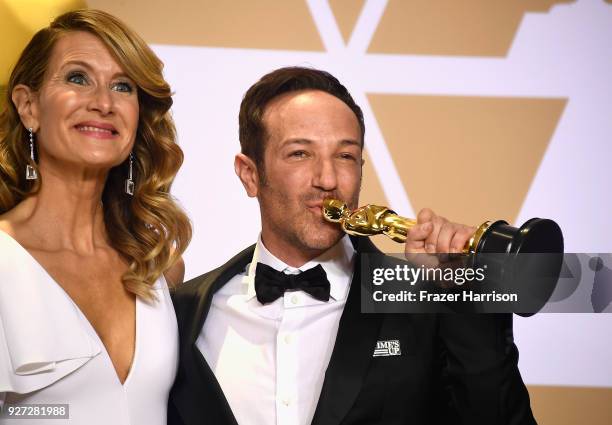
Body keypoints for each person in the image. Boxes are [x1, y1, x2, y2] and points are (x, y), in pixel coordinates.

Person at [169, 67, 536, 425]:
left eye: (345, 156)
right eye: (300, 153)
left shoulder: (432, 304)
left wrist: (465, 295)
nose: (328, 179)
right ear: (250, 174)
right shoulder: (182, 313)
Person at [0, 9, 191, 424]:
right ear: (28, 106)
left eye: (122, 86)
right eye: (77, 78)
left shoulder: (157, 265)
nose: (103, 103)